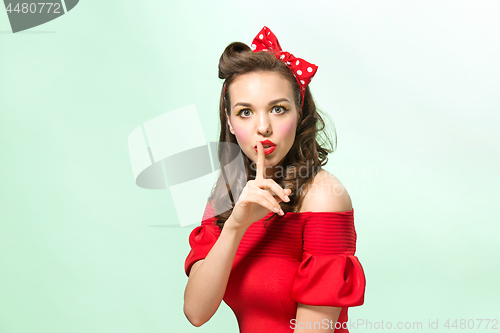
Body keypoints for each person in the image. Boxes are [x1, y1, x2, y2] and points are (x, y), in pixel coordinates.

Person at [183, 26, 366, 333]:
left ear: (300, 112)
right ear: (229, 119)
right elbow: (196, 312)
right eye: (245, 112)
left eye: (278, 109)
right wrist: (236, 226)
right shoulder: (227, 193)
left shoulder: (324, 197)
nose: (263, 127)